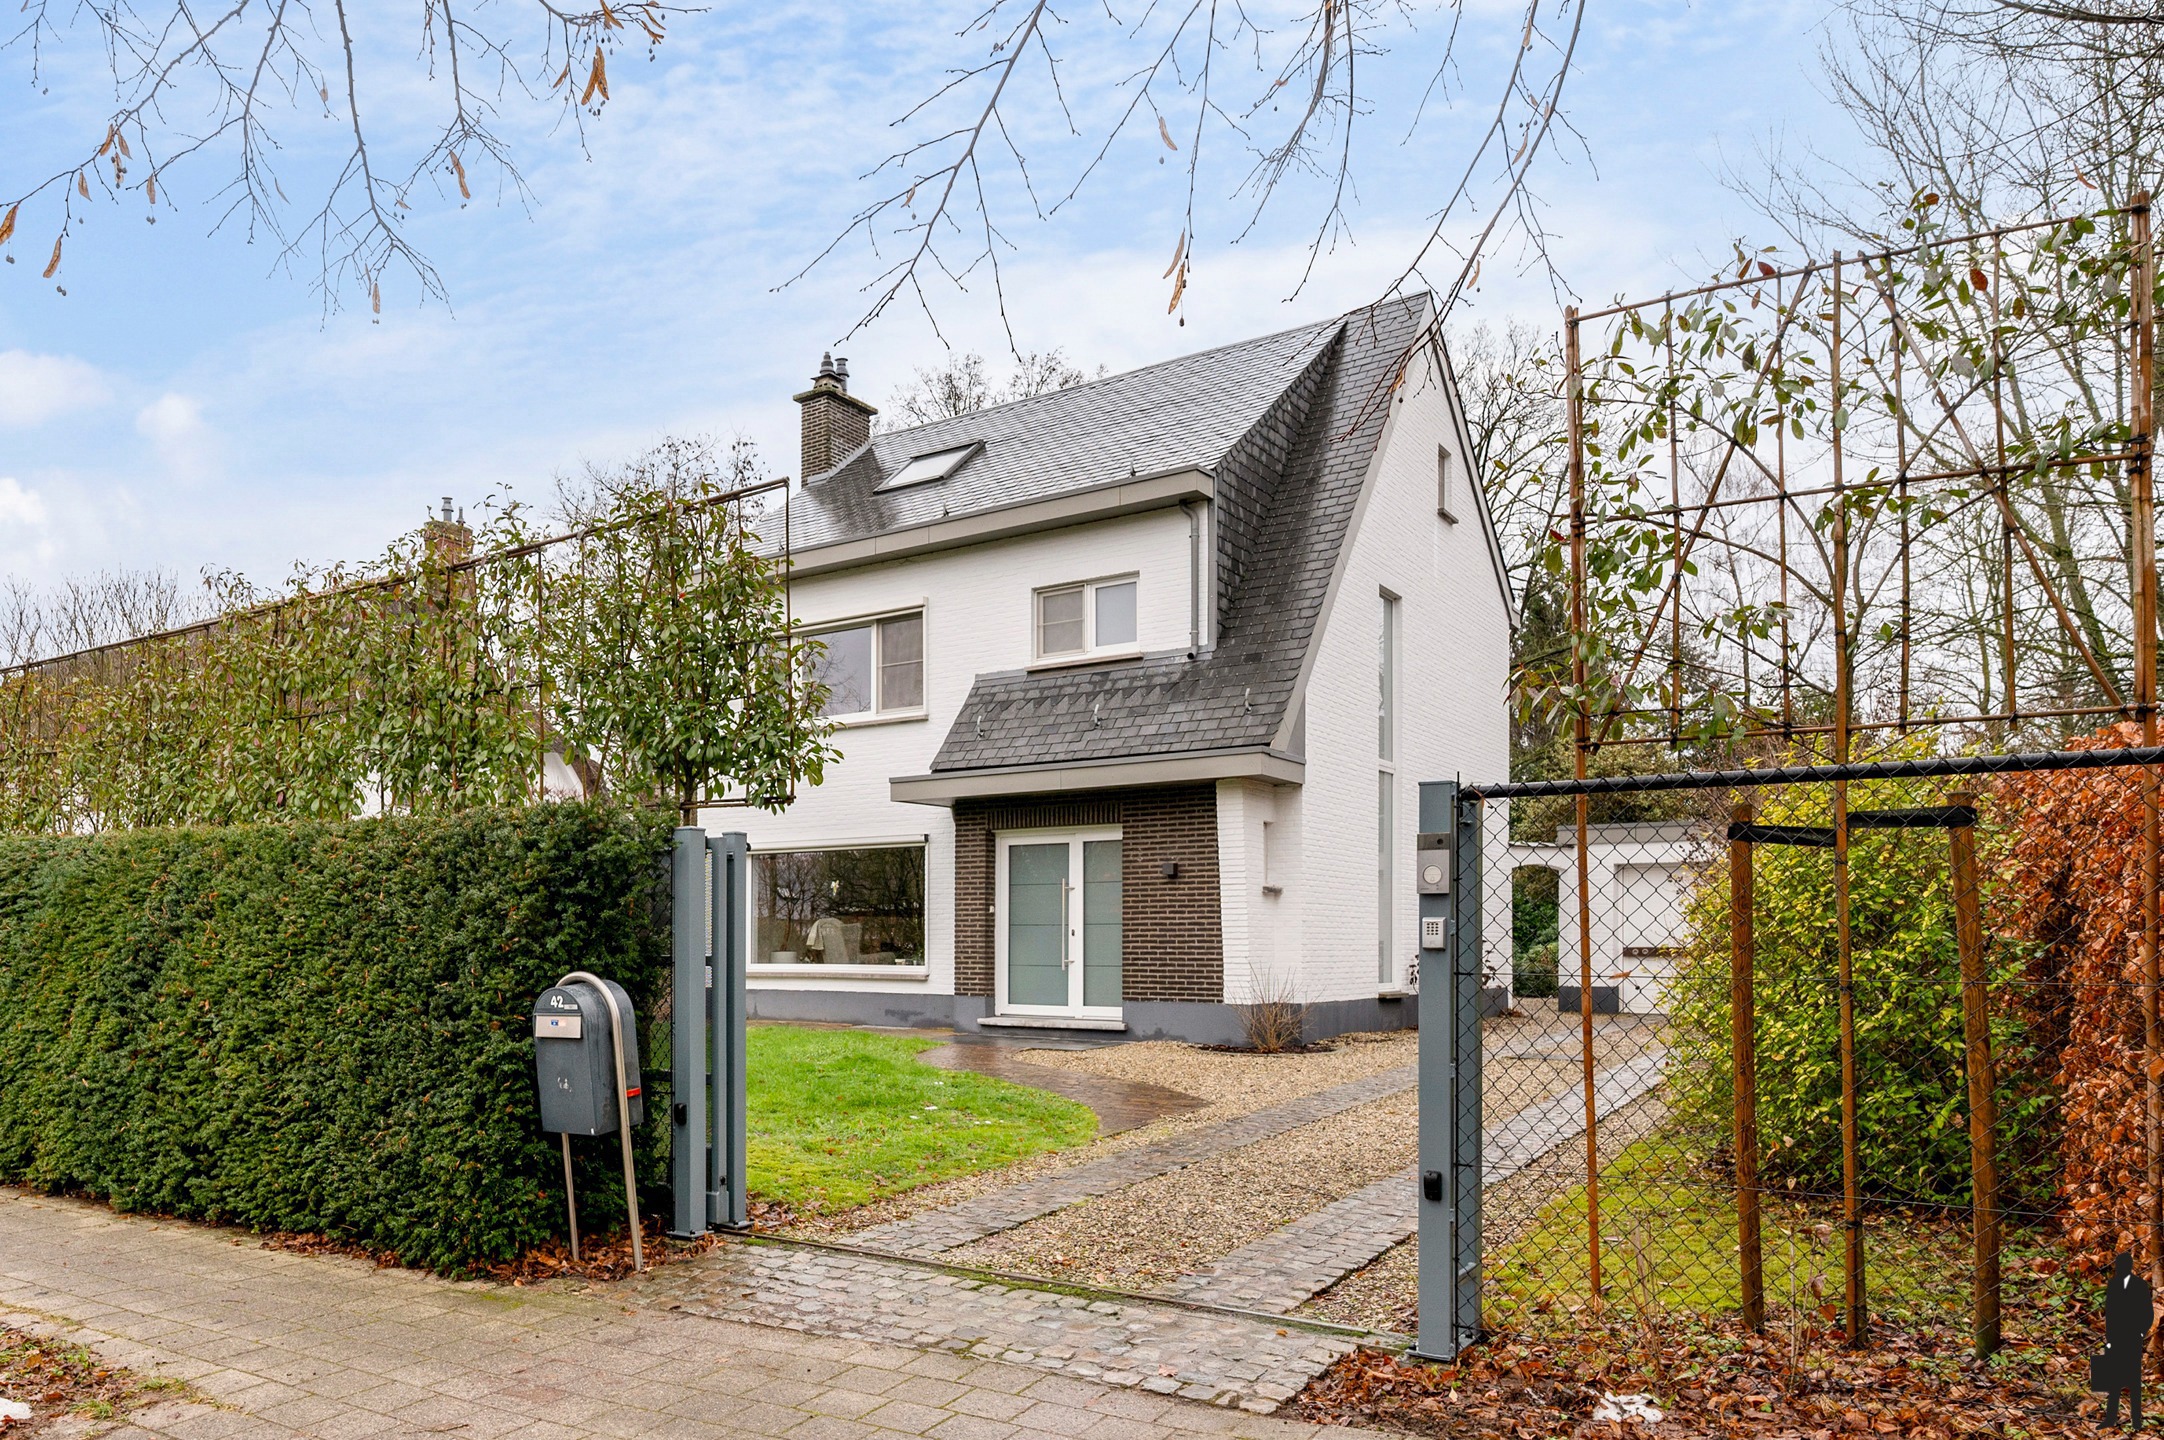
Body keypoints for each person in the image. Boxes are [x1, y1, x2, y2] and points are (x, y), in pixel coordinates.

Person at [2094, 1251, 2153, 1430]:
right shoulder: (2113, 1285)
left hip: (2132, 1338)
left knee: (2134, 1380)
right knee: (2114, 1379)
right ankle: (2110, 1418)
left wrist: (2140, 1333)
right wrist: (2109, 1338)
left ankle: (2136, 1420)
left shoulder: (2140, 1286)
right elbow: (2110, 1314)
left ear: (2129, 1266)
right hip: (2116, 1338)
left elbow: (2148, 1313)